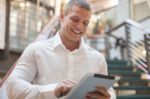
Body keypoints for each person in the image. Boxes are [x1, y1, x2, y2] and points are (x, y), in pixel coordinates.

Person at [2, 0, 116, 99]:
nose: (80, 27)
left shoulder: (98, 58)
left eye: (85, 23)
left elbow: (110, 92)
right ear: (62, 17)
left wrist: (107, 97)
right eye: (75, 19)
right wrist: (53, 90)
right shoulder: (36, 50)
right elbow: (12, 86)